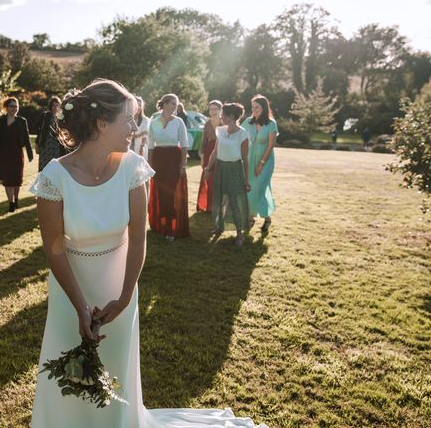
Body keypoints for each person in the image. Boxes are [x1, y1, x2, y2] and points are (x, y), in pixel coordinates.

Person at [29, 78, 266, 428]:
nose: (135, 127)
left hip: (120, 285)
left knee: (115, 369)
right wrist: (79, 306)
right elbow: (54, 250)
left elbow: (139, 238)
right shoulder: (54, 177)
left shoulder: (132, 168)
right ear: (101, 123)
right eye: (129, 118)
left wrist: (124, 298)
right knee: (67, 371)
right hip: (69, 289)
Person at [206, 103, 250, 247]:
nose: (221, 116)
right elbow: (215, 151)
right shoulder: (221, 130)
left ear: (231, 116)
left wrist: (247, 179)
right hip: (220, 168)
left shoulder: (242, 133)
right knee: (219, 199)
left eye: (223, 114)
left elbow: (245, 158)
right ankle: (219, 226)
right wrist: (208, 168)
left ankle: (239, 234)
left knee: (235, 203)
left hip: (235, 169)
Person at [148, 93, 190, 242]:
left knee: (171, 193)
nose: (175, 106)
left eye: (176, 104)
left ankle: (171, 228)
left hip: (173, 159)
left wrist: (183, 165)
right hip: (159, 159)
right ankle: (161, 224)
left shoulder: (179, 122)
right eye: (172, 103)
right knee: (160, 191)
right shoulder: (154, 122)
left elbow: (184, 145)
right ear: (165, 104)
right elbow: (151, 146)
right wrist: (150, 165)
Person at [242, 95, 278, 234]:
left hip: (265, 160)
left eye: (257, 107)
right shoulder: (247, 122)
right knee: (251, 189)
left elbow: (271, 145)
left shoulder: (271, 124)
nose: (254, 109)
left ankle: (250, 218)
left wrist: (261, 163)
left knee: (259, 188)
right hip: (249, 160)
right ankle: (266, 218)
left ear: (264, 108)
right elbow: (241, 138)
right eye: (252, 107)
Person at [0, 96, 33, 212]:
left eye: (16, 106)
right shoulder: (0, 122)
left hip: (17, 154)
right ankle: (11, 203)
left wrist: (30, 154)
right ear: (6, 107)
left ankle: (17, 199)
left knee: (17, 179)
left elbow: (27, 138)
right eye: (12, 106)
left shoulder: (22, 121)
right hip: (3, 154)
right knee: (7, 179)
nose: (14, 108)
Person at [197, 100, 223, 213]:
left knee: (218, 179)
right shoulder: (207, 123)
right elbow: (203, 142)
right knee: (207, 179)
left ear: (220, 110)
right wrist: (202, 157)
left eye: (215, 109)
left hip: (222, 152)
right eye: (211, 109)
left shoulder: (225, 122)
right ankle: (207, 206)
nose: (212, 111)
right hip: (208, 153)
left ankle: (219, 206)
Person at [36, 95, 67, 171]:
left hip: (57, 146)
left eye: (57, 105)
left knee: (55, 166)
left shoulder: (61, 117)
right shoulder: (45, 115)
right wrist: (37, 143)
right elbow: (38, 129)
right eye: (53, 105)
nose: (55, 107)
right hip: (46, 145)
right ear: (50, 106)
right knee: (44, 167)